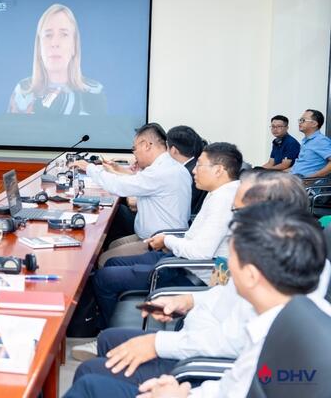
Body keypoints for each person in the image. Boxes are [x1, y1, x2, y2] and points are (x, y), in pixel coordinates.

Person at [65, 172, 321, 396]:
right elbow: (237, 380)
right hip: (197, 348)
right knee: (109, 342)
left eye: (238, 212)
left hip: (200, 360)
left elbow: (233, 356)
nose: (232, 220)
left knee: (91, 377)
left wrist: (169, 366)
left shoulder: (278, 291)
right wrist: (188, 301)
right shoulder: (278, 265)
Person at [133, 203, 330, 398]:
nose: (227, 268)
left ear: (251, 275)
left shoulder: (275, 336)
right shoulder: (292, 319)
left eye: (232, 259)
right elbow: (234, 385)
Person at [91, 143, 242, 327]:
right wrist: (169, 241)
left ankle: (103, 332)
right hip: (181, 260)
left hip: (191, 274)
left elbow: (200, 253)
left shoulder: (224, 201)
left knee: (103, 278)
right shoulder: (222, 192)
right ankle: (106, 322)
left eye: (200, 165)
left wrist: (167, 240)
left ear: (219, 170)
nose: (194, 170)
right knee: (112, 263)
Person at [71, 123, 191, 245]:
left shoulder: (160, 172)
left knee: (105, 258)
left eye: (134, 149)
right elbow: (138, 182)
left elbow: (119, 186)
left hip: (159, 243)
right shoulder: (170, 166)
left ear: (146, 146)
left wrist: (89, 168)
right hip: (160, 237)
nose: (134, 154)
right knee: (112, 245)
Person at [8, 3, 106, 116]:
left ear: (74, 45)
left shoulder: (94, 92)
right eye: (48, 35)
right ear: (39, 47)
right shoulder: (23, 91)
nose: (54, 43)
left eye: (64, 34)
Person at [166, 125, 207, 216]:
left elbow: (177, 206)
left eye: (167, 147)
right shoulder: (192, 166)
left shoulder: (187, 174)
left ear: (173, 150)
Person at [291, 109, 331, 178]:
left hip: (308, 184)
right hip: (295, 179)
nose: (300, 122)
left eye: (303, 120)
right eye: (300, 120)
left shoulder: (321, 140)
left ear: (314, 124)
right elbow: (301, 166)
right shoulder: (306, 141)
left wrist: (311, 177)